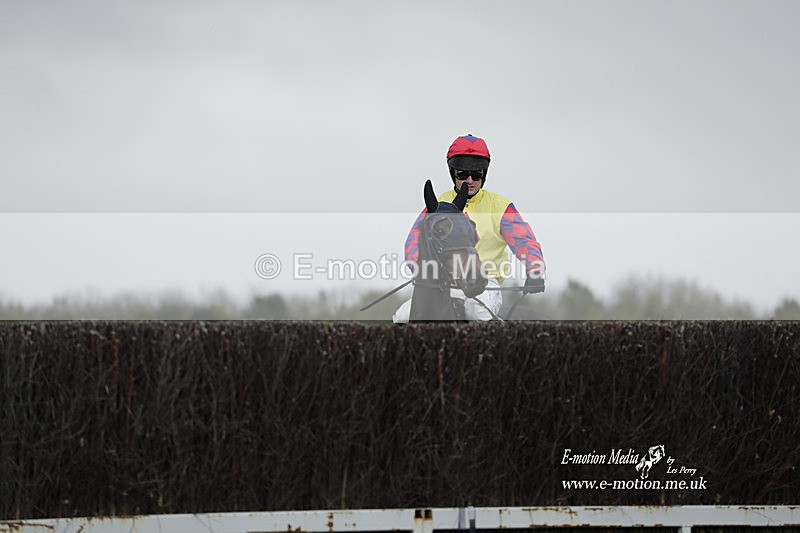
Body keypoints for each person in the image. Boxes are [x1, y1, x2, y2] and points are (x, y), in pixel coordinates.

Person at [392, 134, 545, 322]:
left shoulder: (501, 207)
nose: (470, 180)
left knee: (477, 312)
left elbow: (525, 241)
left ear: (484, 175)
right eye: (463, 174)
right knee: (402, 316)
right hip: (443, 286)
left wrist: (535, 269)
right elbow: (414, 242)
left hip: (484, 284)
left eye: (477, 175)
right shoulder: (438, 205)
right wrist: (422, 270)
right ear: (453, 174)